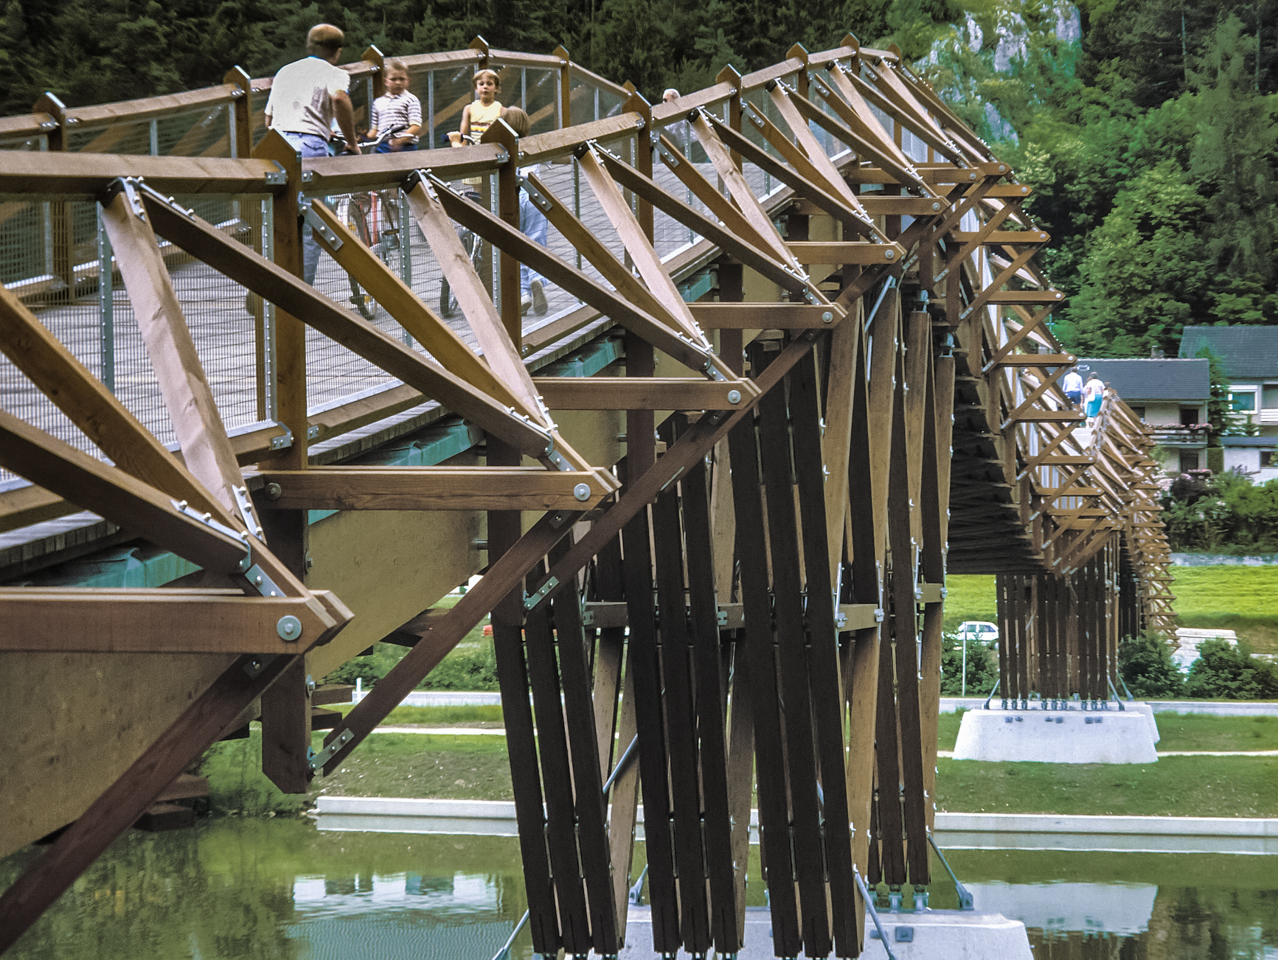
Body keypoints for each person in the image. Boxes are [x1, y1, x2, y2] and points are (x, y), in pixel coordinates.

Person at [264, 23, 361, 285]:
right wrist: (351, 142)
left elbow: (268, 117)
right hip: (309, 148)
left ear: (309, 45)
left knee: (278, 217)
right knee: (311, 226)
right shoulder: (334, 73)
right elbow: (339, 100)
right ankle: (300, 293)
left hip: (275, 145)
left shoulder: (285, 71)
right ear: (337, 51)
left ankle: (269, 281)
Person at [501, 106, 548, 315]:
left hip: (511, 198)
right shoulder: (533, 144)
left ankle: (523, 295)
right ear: (527, 127)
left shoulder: (500, 147)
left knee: (516, 244)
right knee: (535, 241)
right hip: (533, 197)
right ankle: (536, 279)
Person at [366, 59, 421, 152]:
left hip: (406, 145)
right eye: (393, 79)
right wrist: (363, 138)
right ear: (386, 81)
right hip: (382, 146)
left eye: (402, 79)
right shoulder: (378, 102)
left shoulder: (411, 99)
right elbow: (374, 130)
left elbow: (416, 126)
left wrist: (400, 141)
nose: (398, 82)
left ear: (408, 80)